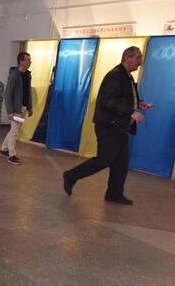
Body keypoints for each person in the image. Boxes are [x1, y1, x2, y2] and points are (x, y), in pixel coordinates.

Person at [62, 46, 151, 205]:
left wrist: (139, 104)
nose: (140, 62)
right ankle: (71, 175)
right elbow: (109, 101)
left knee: (121, 163)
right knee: (105, 159)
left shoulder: (127, 76)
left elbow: (124, 97)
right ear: (128, 57)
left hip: (119, 126)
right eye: (138, 58)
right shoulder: (115, 76)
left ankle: (114, 194)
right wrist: (131, 112)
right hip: (109, 126)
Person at [1, 52, 33, 166]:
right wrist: (10, 111)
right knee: (15, 131)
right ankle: (12, 155)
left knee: (15, 130)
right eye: (28, 60)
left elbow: (28, 92)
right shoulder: (14, 75)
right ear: (21, 61)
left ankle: (4, 149)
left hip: (23, 109)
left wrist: (30, 107)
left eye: (29, 60)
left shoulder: (28, 75)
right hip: (16, 110)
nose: (30, 62)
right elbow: (7, 94)